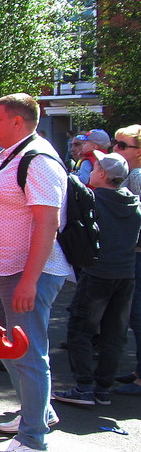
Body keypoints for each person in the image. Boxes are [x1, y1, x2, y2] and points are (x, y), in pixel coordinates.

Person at [0, 93, 71, 452]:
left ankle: (33, 440)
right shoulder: (13, 155)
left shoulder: (38, 160)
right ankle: (38, 412)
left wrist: (29, 281)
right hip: (5, 271)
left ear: (18, 121)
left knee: (28, 353)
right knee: (3, 345)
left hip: (26, 274)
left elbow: (48, 224)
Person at [52, 151, 141, 407]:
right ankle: (103, 389)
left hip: (98, 273)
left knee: (81, 329)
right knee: (115, 332)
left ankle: (83, 387)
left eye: (96, 165)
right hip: (125, 274)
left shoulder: (93, 200)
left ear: (102, 174)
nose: (91, 167)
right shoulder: (133, 203)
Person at [112, 124, 141, 395]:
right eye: (115, 142)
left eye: (122, 145)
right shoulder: (132, 174)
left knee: (138, 314)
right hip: (132, 253)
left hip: (137, 254)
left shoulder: (138, 176)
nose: (115, 149)